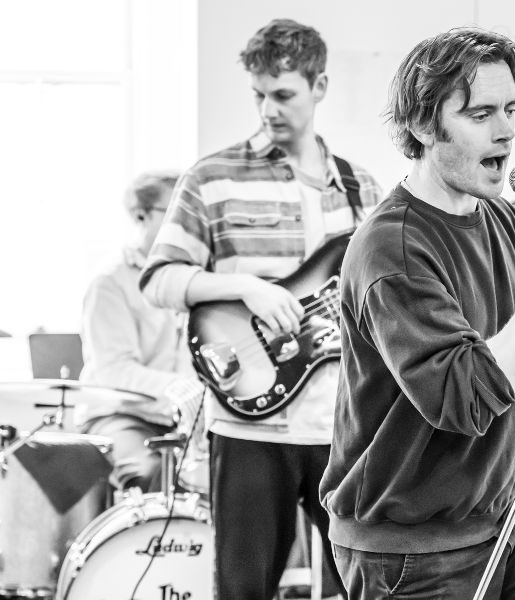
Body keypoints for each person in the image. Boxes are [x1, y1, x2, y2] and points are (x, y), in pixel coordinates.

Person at [318, 27, 515, 599]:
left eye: (511, 109)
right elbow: (465, 398)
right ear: (423, 125)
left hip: (501, 520)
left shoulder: (499, 219)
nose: (507, 130)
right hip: (409, 550)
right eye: (481, 113)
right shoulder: (392, 249)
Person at [140, 18, 381, 600]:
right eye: (259, 96)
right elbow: (160, 278)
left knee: (365, 586)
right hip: (248, 423)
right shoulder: (212, 177)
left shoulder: (363, 190)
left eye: (283, 94)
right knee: (243, 589)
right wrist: (245, 286)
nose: (268, 110)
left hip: (343, 426)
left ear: (320, 86)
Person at [78, 171, 196, 493]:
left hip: (179, 418)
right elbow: (113, 371)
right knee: (152, 471)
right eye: (175, 212)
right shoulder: (110, 282)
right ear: (140, 215)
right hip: (120, 416)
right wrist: (183, 389)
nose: (187, 223)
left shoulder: (196, 278)